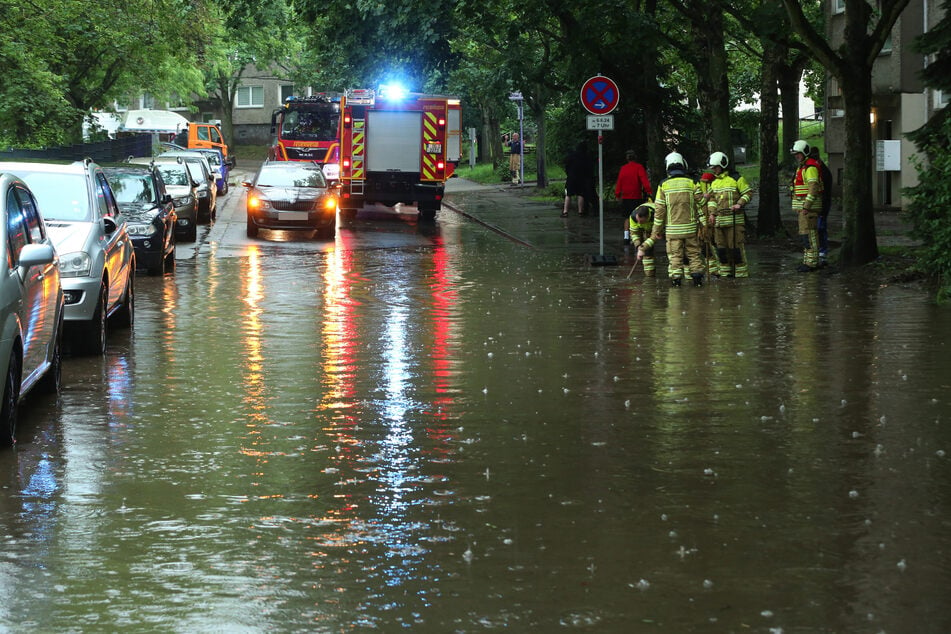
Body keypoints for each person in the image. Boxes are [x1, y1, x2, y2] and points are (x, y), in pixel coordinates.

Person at [651, 152, 706, 287]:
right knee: (694, 254)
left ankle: (676, 282)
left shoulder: (663, 185)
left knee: (675, 256)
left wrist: (656, 230)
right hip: (690, 228)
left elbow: (659, 210)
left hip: (673, 230)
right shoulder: (692, 182)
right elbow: (701, 202)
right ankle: (697, 280)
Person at [705, 152, 753, 278]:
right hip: (719, 223)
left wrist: (740, 204)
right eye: (713, 168)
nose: (714, 170)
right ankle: (725, 275)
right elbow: (712, 200)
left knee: (736, 249)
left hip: (735, 221)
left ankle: (741, 275)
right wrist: (712, 214)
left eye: (716, 167)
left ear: (723, 165)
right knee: (721, 250)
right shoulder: (714, 183)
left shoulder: (737, 179)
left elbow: (748, 193)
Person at [790, 140, 824, 272]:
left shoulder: (810, 168)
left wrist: (806, 206)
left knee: (810, 235)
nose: (796, 156)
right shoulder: (804, 167)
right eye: (795, 154)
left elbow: (813, 188)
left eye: (798, 154)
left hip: (808, 209)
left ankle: (812, 263)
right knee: (805, 235)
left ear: (804, 153)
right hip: (804, 209)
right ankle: (808, 261)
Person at [616, 150, 652, 238]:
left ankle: (626, 237)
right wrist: (649, 191)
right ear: (635, 158)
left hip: (626, 197)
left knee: (627, 217)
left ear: (627, 158)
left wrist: (617, 194)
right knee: (637, 216)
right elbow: (644, 181)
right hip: (636, 196)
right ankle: (636, 237)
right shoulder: (639, 167)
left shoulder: (623, 168)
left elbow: (619, 182)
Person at [808, 146, 833, 266]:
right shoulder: (818, 169)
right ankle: (817, 252)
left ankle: (821, 252)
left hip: (821, 203)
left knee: (820, 227)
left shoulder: (822, 171)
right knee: (815, 228)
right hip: (816, 203)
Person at [697, 171, 719, 276]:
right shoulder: (710, 188)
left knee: (708, 247)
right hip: (705, 224)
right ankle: (714, 270)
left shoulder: (696, 188)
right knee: (708, 247)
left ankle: (714, 270)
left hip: (707, 223)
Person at [562, 143, 591, 217]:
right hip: (581, 178)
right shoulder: (585, 157)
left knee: (568, 194)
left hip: (571, 177)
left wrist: (569, 173)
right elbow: (588, 168)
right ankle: (580, 212)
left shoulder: (571, 156)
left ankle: (565, 212)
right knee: (580, 194)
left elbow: (566, 166)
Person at [630, 202, 657, 276]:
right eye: (637, 220)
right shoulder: (633, 217)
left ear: (647, 217)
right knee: (647, 252)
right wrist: (638, 246)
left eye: (641, 221)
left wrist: (642, 248)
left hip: (659, 228)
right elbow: (634, 234)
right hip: (645, 229)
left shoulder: (657, 215)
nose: (639, 223)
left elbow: (655, 236)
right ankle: (649, 275)